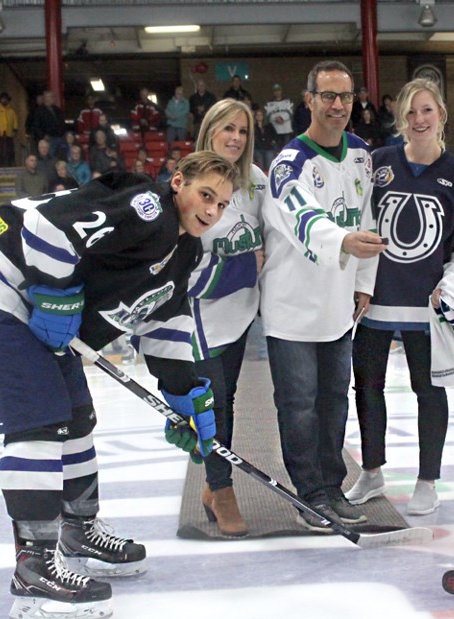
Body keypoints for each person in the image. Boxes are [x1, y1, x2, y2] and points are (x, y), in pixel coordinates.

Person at [0, 151, 239, 618]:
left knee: (77, 417)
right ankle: (33, 565)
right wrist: (58, 296)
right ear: (178, 183)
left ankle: (78, 531)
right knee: (39, 423)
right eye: (206, 196)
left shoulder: (186, 250)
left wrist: (184, 394)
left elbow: (164, 322)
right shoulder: (147, 207)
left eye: (223, 205)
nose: (212, 211)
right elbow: (46, 226)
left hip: (30, 304)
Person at [347, 78, 454, 516]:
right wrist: (359, 282)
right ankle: (372, 471)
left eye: (427, 110)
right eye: (411, 112)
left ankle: (427, 479)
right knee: (367, 387)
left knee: (428, 391)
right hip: (374, 300)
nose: (418, 120)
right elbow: (358, 221)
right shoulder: (379, 163)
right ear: (401, 119)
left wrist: (450, 287)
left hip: (427, 307)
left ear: (442, 117)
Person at [261, 60, 386, 532]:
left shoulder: (361, 154)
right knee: (298, 406)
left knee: (334, 401)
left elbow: (368, 219)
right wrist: (343, 242)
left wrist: (363, 282)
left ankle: (332, 486)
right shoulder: (289, 164)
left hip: (338, 307)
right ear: (308, 99)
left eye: (346, 97)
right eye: (328, 96)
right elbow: (302, 218)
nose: (338, 105)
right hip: (292, 310)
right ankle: (309, 494)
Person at [187, 98, 265, 538]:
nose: (235, 137)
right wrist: (245, 267)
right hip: (201, 320)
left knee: (226, 401)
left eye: (242, 130)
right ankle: (223, 490)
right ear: (209, 131)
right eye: (227, 129)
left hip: (241, 317)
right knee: (214, 408)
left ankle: (214, 485)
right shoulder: (193, 182)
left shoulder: (255, 181)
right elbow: (184, 268)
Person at [0, 92, 18, 167]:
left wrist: (15, 130)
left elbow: (15, 121)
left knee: (10, 151)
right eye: (2, 99)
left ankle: (10, 164)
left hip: (9, 134)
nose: (4, 100)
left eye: (5, 99)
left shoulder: (11, 111)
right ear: (0, 100)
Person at [265, 84, 295, 151]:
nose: (277, 92)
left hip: (286, 130)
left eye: (278, 90)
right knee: (276, 150)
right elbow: (268, 114)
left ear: (281, 91)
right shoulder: (270, 102)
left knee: (287, 149)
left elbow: (290, 112)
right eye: (275, 91)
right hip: (275, 130)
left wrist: (282, 118)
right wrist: (275, 118)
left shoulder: (287, 100)